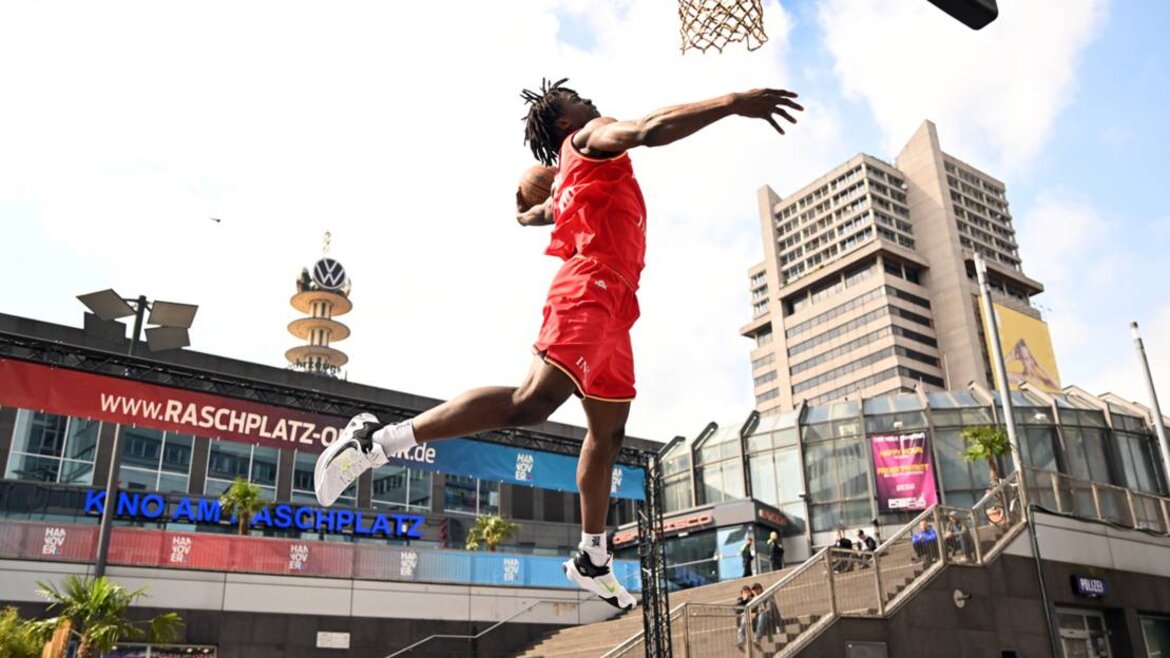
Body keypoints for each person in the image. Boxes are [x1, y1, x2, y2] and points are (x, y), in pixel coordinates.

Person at [313, 78, 804, 611]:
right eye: (577, 100)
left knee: (608, 433)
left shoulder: (572, 175)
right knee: (533, 401)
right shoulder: (590, 138)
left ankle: (592, 556)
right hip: (590, 288)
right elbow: (648, 128)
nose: (590, 100)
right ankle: (376, 441)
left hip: (616, 303)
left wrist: (527, 212)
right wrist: (732, 104)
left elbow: (546, 213)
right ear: (566, 122)